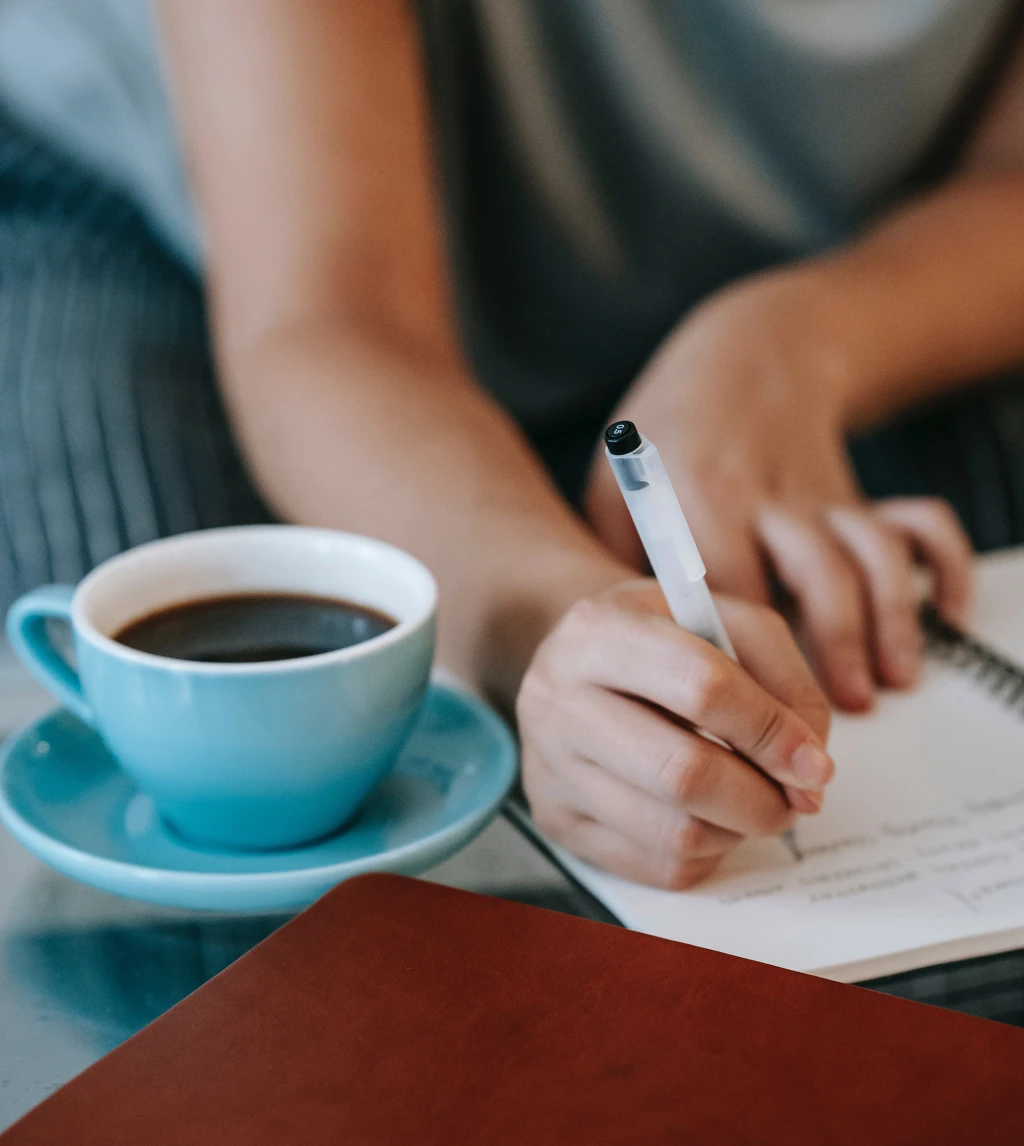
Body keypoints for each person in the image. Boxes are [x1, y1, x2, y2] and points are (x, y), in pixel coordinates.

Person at [2, 0, 1022, 892]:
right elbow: (335, 313)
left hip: (864, 246)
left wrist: (791, 350)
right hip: (206, 223)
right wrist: (551, 620)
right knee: (199, 761)